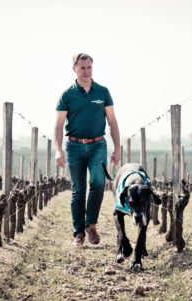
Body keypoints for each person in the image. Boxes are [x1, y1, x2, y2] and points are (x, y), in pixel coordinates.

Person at [54, 53, 121, 246]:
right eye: (82, 68)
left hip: (97, 145)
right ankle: (78, 233)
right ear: (74, 69)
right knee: (78, 189)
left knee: (98, 183)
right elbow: (58, 125)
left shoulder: (103, 92)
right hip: (74, 146)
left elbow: (112, 121)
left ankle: (91, 225)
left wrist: (117, 147)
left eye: (89, 67)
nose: (86, 71)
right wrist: (59, 150)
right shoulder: (67, 95)